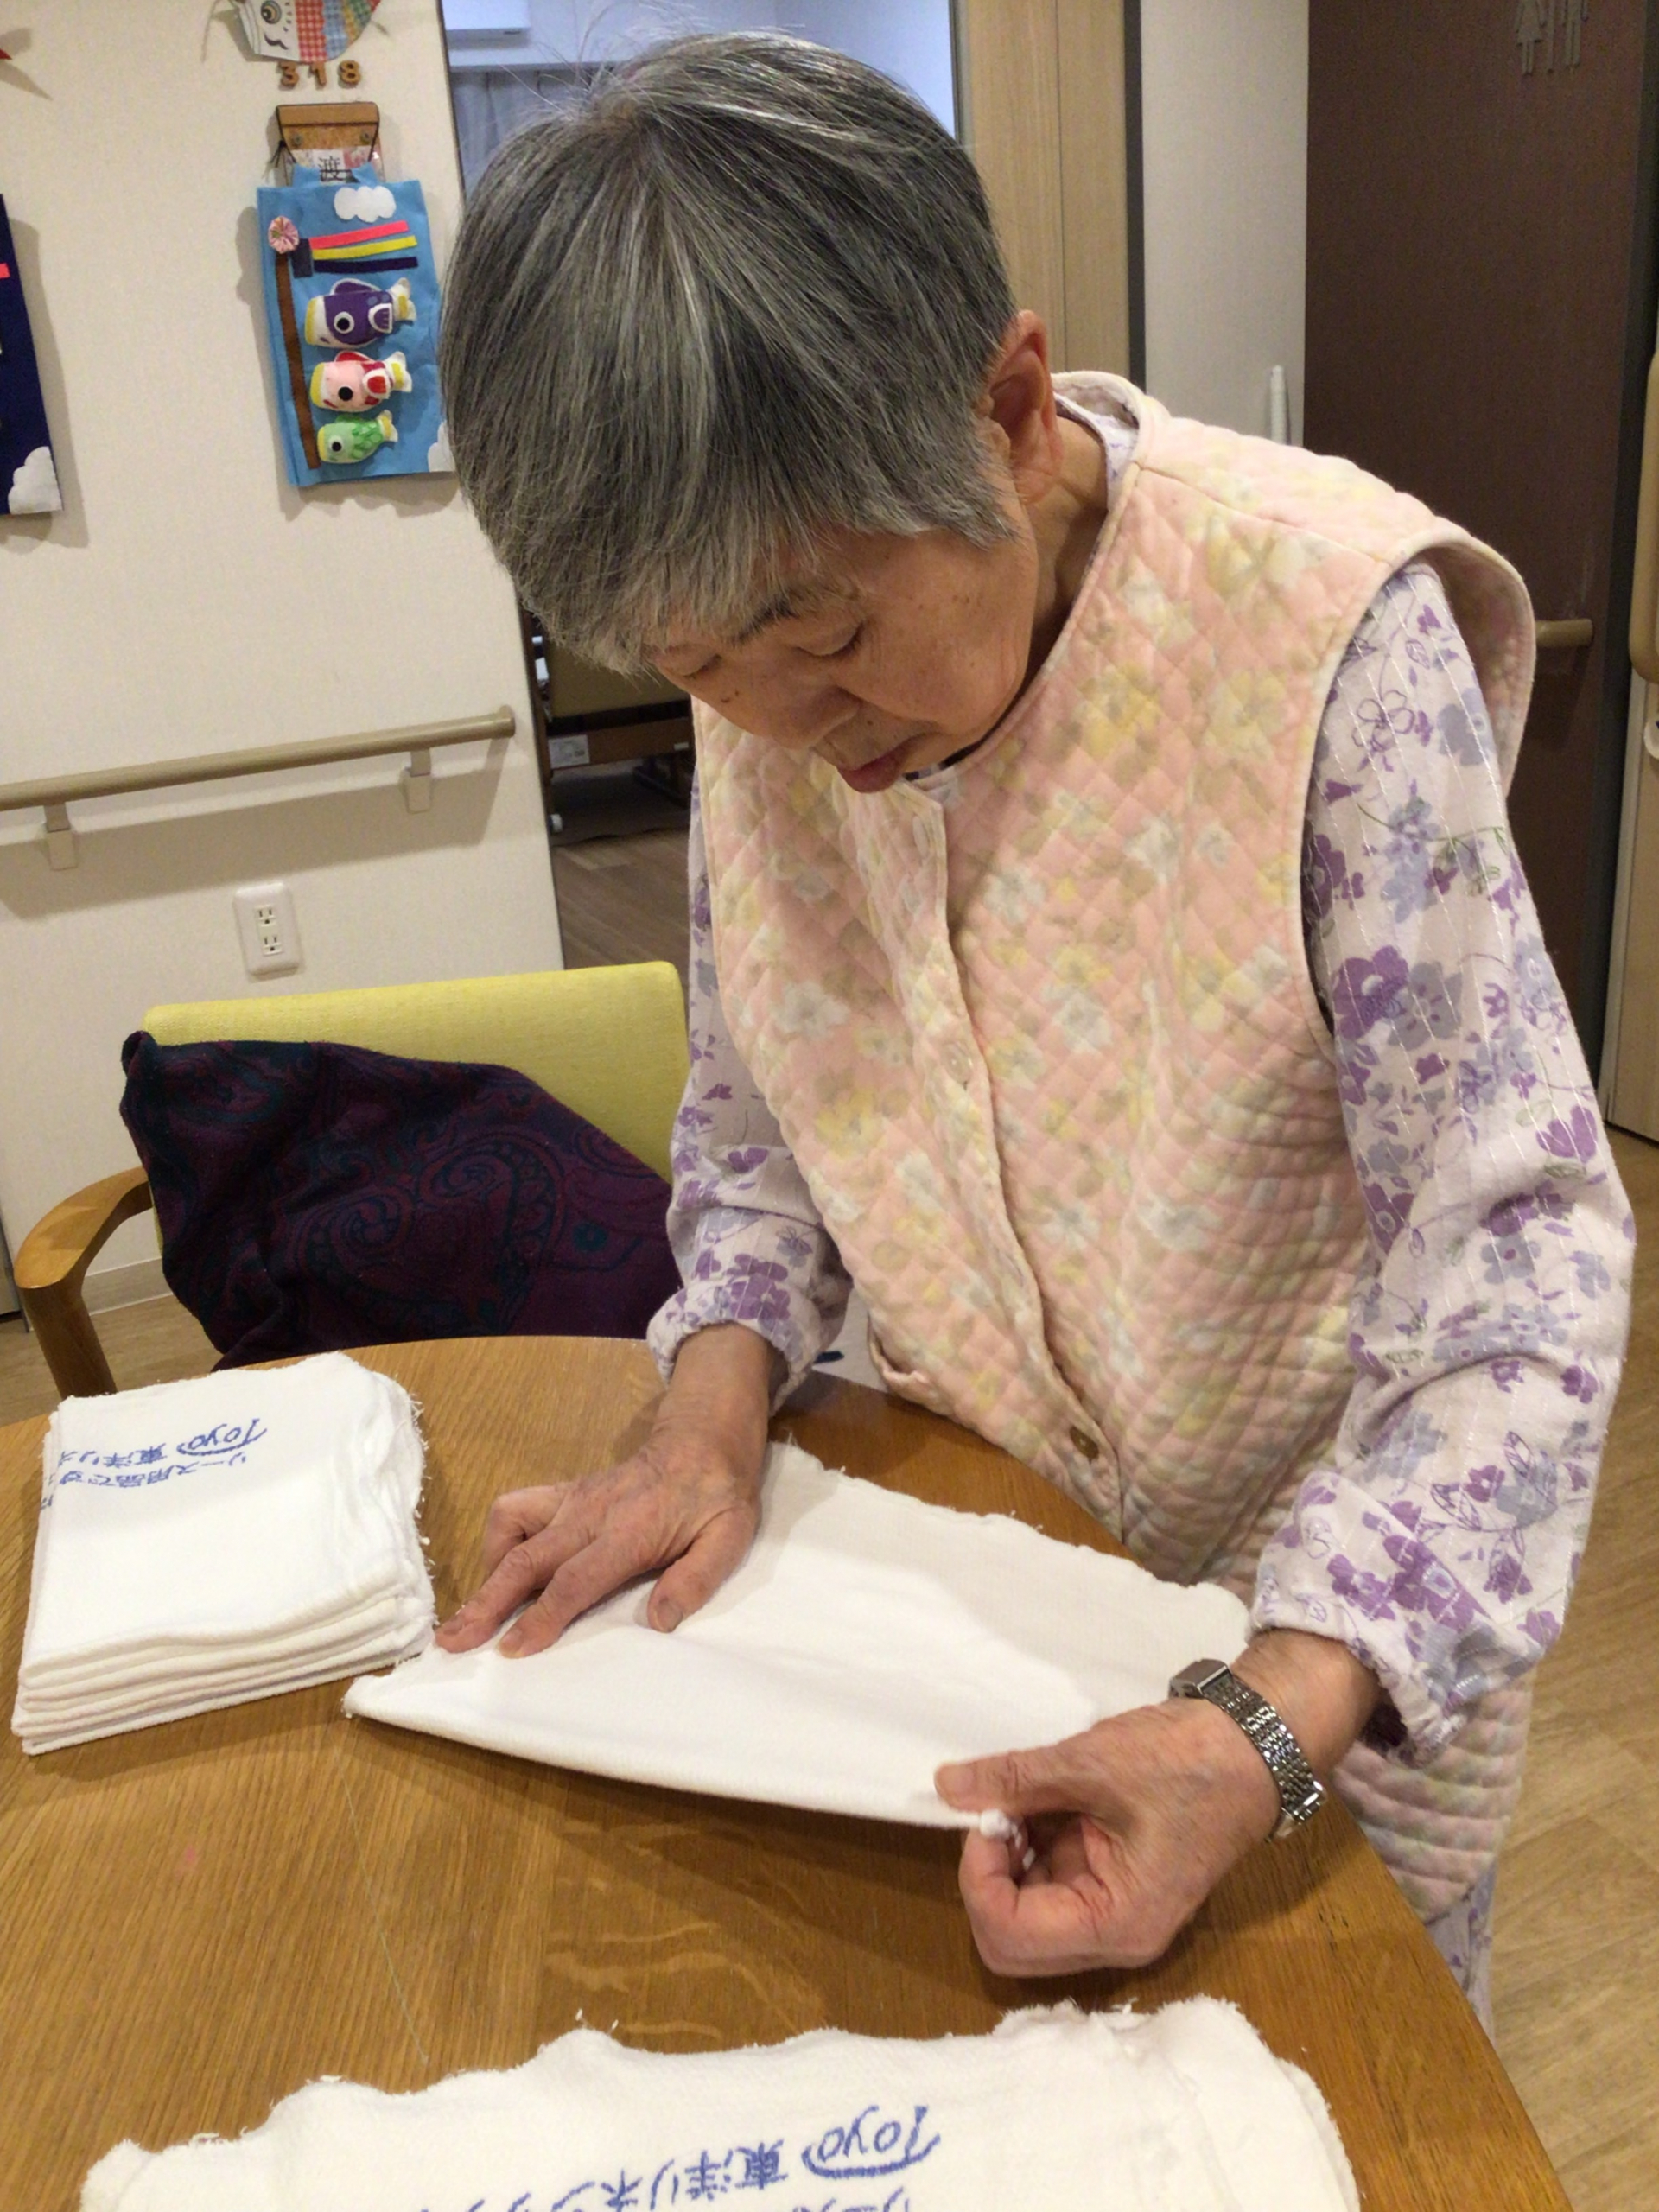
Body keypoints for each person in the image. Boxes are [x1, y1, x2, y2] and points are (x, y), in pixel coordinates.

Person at [434, 34, 1630, 2024]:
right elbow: (760, 1117)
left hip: (1328, 1647)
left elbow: (1517, 1264)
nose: (781, 723)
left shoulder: (1317, 638)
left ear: (1002, 410)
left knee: (1324, 2101)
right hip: (965, 1593)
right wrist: (707, 1405)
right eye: (697, 665)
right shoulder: (768, 694)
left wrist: (1266, 1716)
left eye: (824, 632)